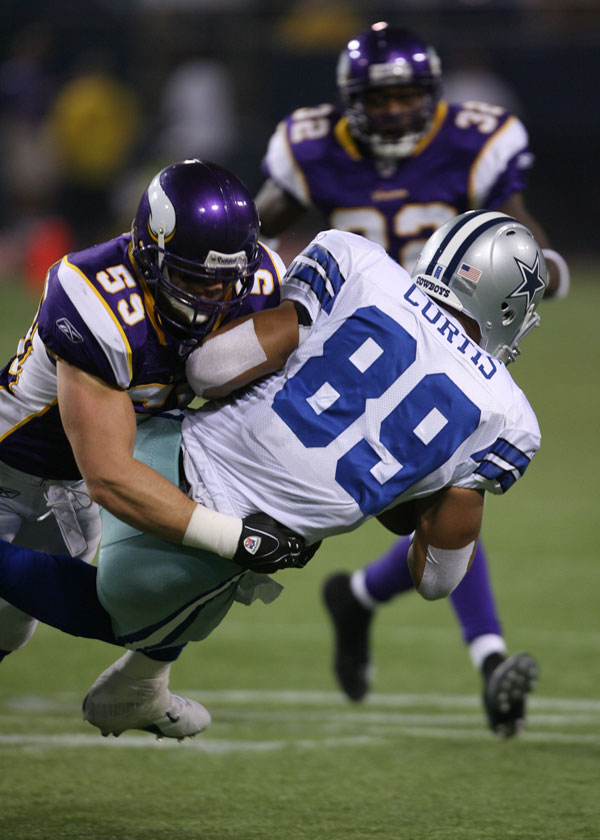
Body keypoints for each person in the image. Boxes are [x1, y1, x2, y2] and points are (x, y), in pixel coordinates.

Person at [0, 212, 545, 739]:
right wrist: (408, 481)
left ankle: (142, 686)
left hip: (160, 444)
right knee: (144, 606)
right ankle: (136, 683)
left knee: (211, 581)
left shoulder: (359, 261)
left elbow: (210, 370)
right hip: (210, 537)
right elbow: (436, 579)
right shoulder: (507, 416)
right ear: (510, 307)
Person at [255, 21, 569, 736]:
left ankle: (444, 638)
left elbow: (524, 235)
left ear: (432, 96)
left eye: (407, 97)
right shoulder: (313, 147)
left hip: (442, 347)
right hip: (350, 347)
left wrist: (535, 273)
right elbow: (254, 229)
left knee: (452, 484)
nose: (395, 111)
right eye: (380, 98)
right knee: (437, 485)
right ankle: (384, 609)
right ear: (351, 101)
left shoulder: (474, 142)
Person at [0, 158, 313, 741]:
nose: (215, 296)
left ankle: (142, 685)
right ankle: (141, 686)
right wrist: (236, 536)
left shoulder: (261, 283)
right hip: (18, 466)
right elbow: (110, 477)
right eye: (195, 280)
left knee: (130, 601)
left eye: (227, 280)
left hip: (86, 481)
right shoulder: (95, 296)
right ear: (150, 255)